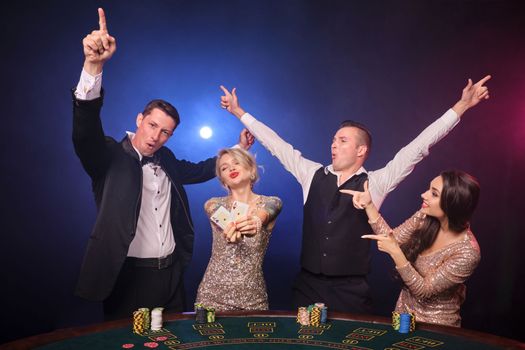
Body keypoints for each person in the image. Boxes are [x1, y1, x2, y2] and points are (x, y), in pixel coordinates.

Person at [219, 76, 490, 314]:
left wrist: (462, 106)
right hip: (307, 284)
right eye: (333, 140)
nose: (333, 144)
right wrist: (239, 112)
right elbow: (275, 143)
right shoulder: (310, 173)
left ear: (361, 151)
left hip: (351, 291)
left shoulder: (376, 182)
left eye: (342, 140)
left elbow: (420, 145)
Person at [72, 8, 253, 320]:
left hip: (169, 273)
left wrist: (239, 147)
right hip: (126, 276)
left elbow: (198, 169)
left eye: (165, 132)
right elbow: (84, 130)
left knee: (175, 341)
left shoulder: (166, 158)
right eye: (152, 125)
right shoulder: (109, 155)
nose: (156, 136)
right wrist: (93, 66)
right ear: (139, 120)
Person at [343, 170, 481, 327]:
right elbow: (393, 238)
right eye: (429, 189)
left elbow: (424, 291)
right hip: (402, 315)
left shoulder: (468, 252)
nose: (424, 194)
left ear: (453, 204)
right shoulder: (425, 216)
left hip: (437, 327)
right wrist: (368, 205)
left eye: (434, 194)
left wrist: (395, 251)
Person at [195, 148, 282, 310]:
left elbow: (267, 211)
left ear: (251, 170)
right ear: (223, 180)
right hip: (211, 297)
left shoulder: (272, 202)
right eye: (224, 168)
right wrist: (233, 231)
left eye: (236, 163)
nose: (231, 168)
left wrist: (256, 221)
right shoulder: (213, 204)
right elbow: (226, 222)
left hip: (253, 299)